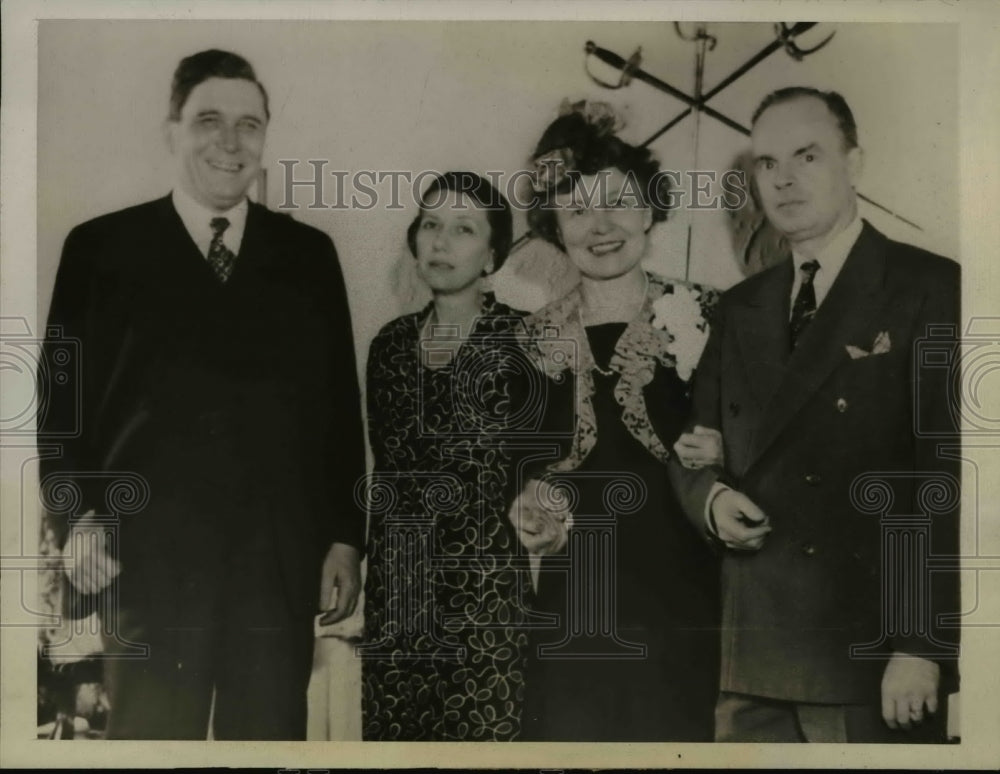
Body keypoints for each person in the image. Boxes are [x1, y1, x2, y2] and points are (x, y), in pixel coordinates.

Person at [38, 49, 366, 740]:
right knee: (150, 746)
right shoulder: (100, 250)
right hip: (145, 561)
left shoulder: (308, 256)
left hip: (273, 566)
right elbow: (59, 412)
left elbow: (339, 411)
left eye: (249, 124)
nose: (230, 142)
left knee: (270, 745)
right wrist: (77, 516)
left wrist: (344, 536)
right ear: (172, 131)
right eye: (209, 120)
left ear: (266, 136)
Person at [669, 87, 961, 742]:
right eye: (768, 163)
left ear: (854, 163)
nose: (784, 180)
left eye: (807, 156)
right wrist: (711, 499)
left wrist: (921, 644)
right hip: (751, 653)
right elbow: (695, 443)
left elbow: (946, 479)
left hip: (868, 657)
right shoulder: (741, 306)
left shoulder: (930, 287)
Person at [508, 101, 723, 742]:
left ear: (650, 208)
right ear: (554, 227)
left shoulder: (709, 316)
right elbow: (523, 471)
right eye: (576, 210)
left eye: (617, 203)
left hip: (686, 604)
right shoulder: (530, 340)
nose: (599, 227)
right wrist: (532, 508)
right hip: (576, 606)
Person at [361, 172, 531, 741]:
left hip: (488, 600)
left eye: (463, 229)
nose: (440, 241)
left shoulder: (524, 341)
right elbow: (385, 473)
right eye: (431, 224)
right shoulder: (388, 346)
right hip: (399, 596)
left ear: (492, 256)